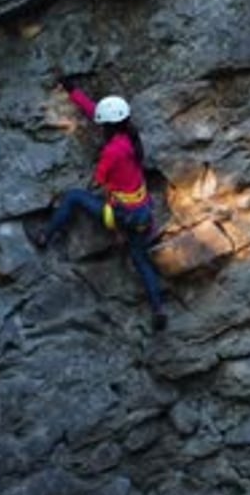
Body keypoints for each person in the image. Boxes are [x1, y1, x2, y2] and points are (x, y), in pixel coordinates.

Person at [31, 77, 167, 332]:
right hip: (143, 213)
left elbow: (100, 177)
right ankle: (158, 308)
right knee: (141, 261)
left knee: (73, 197)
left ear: (108, 126)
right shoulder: (129, 138)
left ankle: (46, 235)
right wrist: (73, 92)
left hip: (120, 215)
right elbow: (97, 113)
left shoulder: (112, 152)